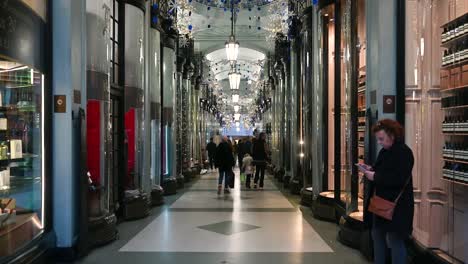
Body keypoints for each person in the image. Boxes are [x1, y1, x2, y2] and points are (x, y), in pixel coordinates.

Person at [360, 119, 414, 264]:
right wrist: (369, 169)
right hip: (381, 203)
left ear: (392, 135)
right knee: (377, 235)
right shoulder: (385, 151)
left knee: (395, 239)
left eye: (381, 138)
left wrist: (375, 176)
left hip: (397, 206)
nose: (379, 142)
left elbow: (398, 179)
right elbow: (381, 171)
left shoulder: (404, 153)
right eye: (378, 139)